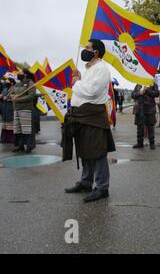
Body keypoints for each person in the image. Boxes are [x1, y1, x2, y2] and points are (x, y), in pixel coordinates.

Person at [63, 39, 116, 203]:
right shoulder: (90, 69)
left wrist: (76, 83)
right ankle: (86, 182)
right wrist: (79, 79)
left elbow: (92, 92)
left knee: (97, 152)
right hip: (82, 116)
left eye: (87, 48)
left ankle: (102, 187)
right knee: (85, 150)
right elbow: (83, 89)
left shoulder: (101, 69)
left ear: (96, 52)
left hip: (93, 116)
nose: (84, 50)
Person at [9, 69, 36, 153]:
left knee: (27, 129)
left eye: (20, 72)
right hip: (16, 109)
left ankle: (29, 146)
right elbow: (10, 93)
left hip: (26, 109)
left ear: (25, 74)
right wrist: (13, 96)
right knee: (18, 129)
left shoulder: (30, 84)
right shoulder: (17, 84)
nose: (19, 74)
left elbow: (31, 96)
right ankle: (20, 146)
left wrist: (17, 99)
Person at [131, 83, 159, 149]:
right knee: (139, 128)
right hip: (139, 109)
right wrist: (139, 93)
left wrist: (147, 90)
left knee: (150, 127)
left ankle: (152, 144)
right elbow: (132, 95)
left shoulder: (153, 83)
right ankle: (139, 143)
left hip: (149, 108)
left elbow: (157, 94)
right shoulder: (138, 84)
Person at [0, 78, 16, 143]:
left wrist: (9, 98)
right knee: (5, 123)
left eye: (7, 82)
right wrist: (2, 97)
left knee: (11, 123)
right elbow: (1, 95)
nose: (6, 83)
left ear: (11, 83)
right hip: (5, 108)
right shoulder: (5, 89)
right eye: (5, 82)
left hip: (11, 108)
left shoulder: (14, 89)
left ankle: (11, 138)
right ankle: (4, 138)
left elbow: (15, 97)